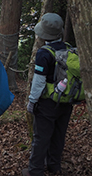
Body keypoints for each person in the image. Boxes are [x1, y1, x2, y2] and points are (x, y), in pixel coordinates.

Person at [23, 13, 73, 176]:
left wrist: (32, 101)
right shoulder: (67, 47)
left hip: (47, 103)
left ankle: (35, 170)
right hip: (66, 101)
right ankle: (54, 166)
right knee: (59, 135)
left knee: (41, 138)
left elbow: (39, 81)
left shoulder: (44, 53)